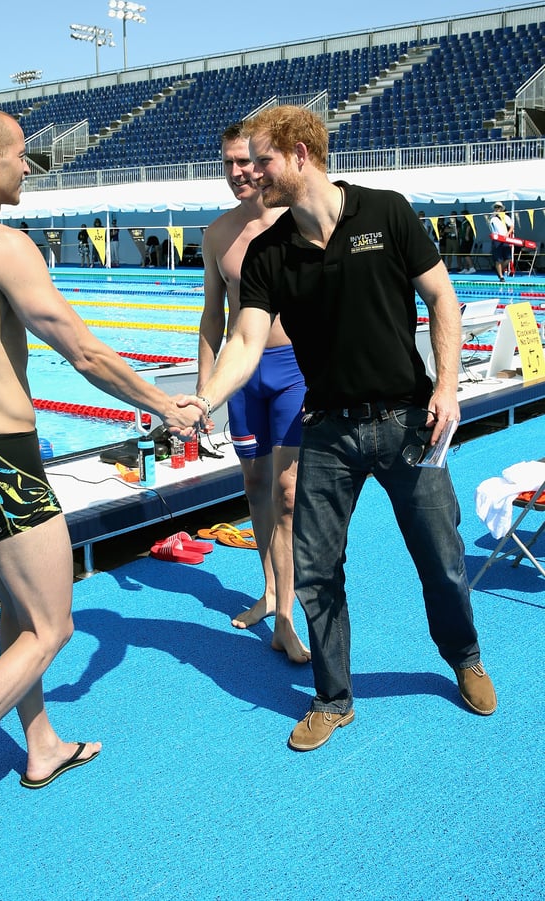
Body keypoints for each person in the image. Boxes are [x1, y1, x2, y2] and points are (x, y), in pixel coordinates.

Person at [0, 106, 203, 839]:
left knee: (17, 602)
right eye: (25, 156)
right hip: (1, 455)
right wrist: (167, 406)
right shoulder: (0, 245)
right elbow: (84, 351)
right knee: (53, 623)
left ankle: (41, 744)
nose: (33, 168)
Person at [187, 105, 496, 753]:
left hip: (407, 418)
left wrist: (446, 386)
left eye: (262, 159)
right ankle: (333, 696)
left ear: (300, 154)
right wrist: (205, 397)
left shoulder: (386, 212)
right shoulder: (269, 252)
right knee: (318, 567)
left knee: (440, 555)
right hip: (326, 424)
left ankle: (464, 656)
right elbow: (245, 340)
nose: (253, 172)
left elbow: (443, 296)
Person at [198, 123, 309, 664]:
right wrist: (203, 391)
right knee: (255, 483)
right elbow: (211, 318)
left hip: (293, 369)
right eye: (228, 164)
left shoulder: (298, 222)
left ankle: (287, 616)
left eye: (246, 161)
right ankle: (268, 591)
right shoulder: (218, 234)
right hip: (242, 375)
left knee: (287, 494)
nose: (238, 172)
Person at [488, 201, 514, 282]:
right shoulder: (492, 218)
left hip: (505, 239)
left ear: (502, 209)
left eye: (498, 207)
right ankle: (501, 276)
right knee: (498, 259)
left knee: (508, 258)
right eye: (496, 207)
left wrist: (507, 234)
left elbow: (512, 226)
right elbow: (489, 223)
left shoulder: (506, 217)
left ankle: (499, 270)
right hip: (496, 239)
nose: (497, 209)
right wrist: (493, 215)